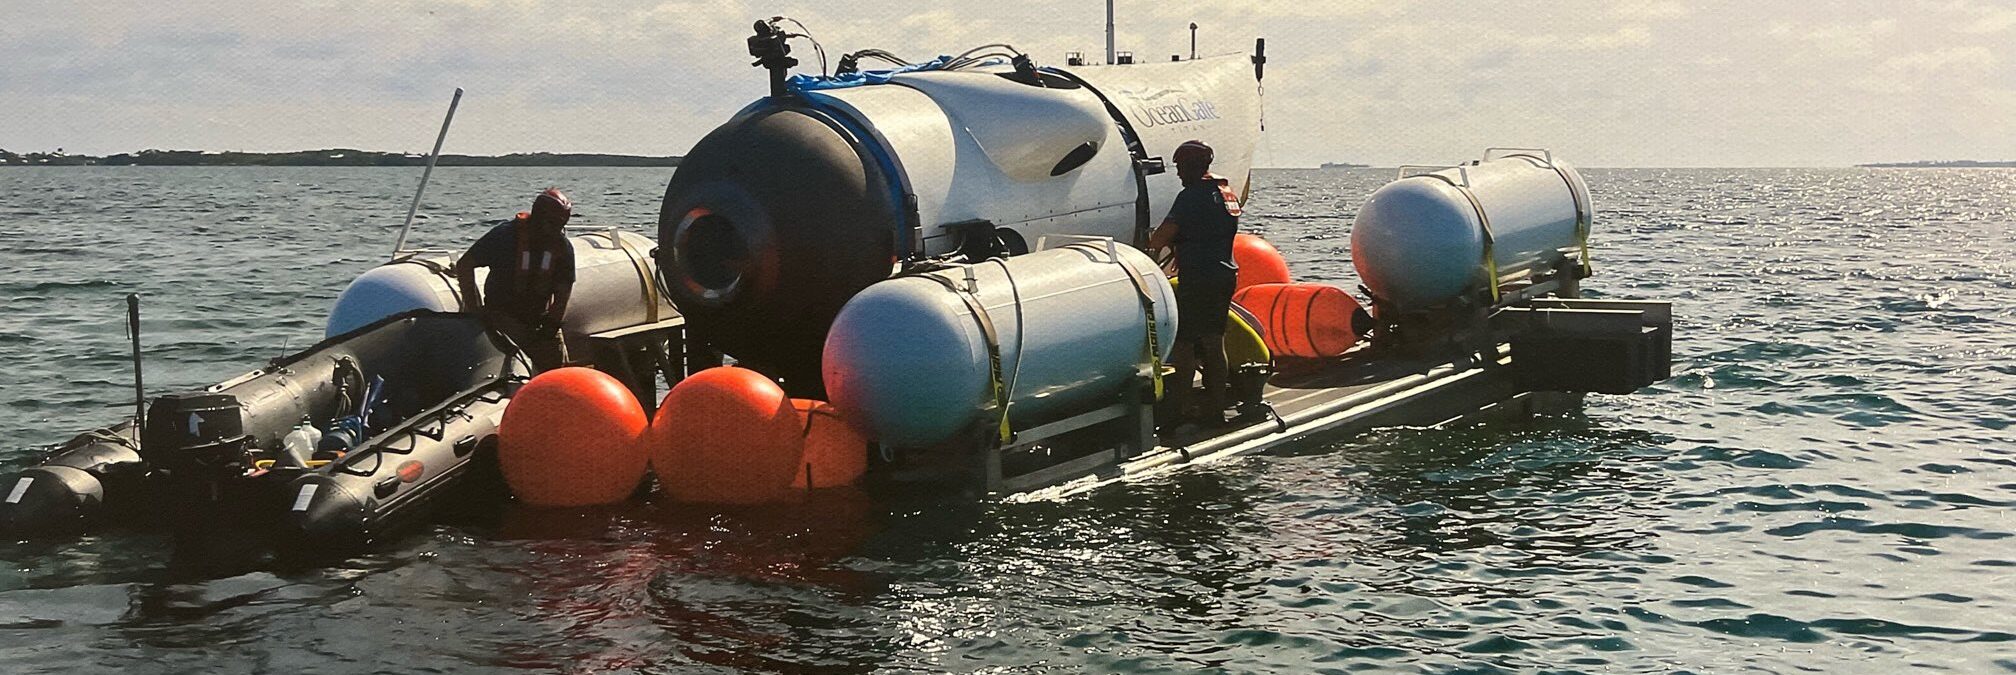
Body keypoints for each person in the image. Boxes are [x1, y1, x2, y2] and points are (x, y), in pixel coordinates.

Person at [1147, 140, 1242, 426]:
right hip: (1224, 273)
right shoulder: (1226, 194)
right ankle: (1215, 408)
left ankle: (1180, 407)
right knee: (1214, 341)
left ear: (1190, 167)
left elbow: (1160, 238)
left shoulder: (1191, 197)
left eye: (1180, 167)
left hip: (1199, 277)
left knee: (1184, 343)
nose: (1178, 174)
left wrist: (1160, 242)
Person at [457, 188, 577, 371]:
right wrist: (476, 311)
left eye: (561, 224)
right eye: (552, 223)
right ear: (539, 217)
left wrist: (549, 329)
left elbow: (562, 295)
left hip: (540, 321)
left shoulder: (561, 247)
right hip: (502, 318)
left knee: (557, 369)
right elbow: (465, 265)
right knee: (512, 366)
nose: (556, 229)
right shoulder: (505, 236)